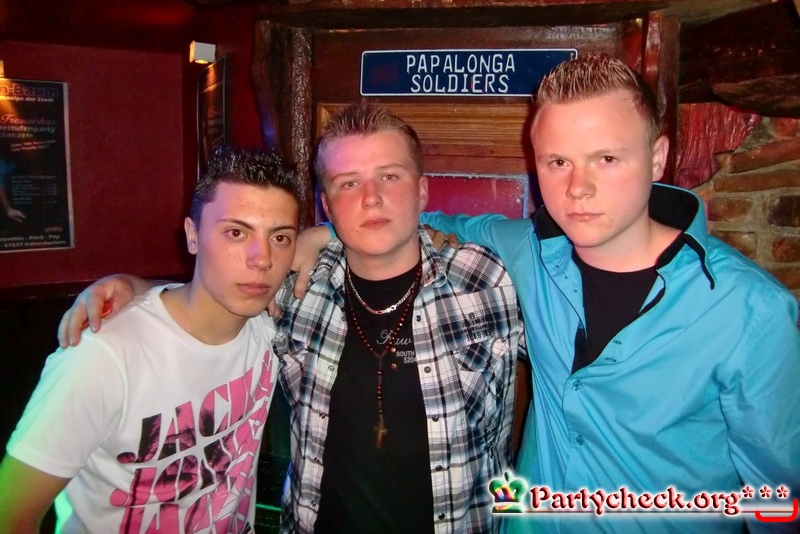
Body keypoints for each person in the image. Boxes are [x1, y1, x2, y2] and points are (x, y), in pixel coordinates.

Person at [55, 102, 525, 534]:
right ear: (327, 205)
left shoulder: (488, 280)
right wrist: (133, 286)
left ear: (422, 191)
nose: (371, 198)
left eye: (390, 176)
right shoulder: (294, 289)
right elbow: (212, 293)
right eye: (348, 183)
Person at [417, 53, 799, 533]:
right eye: (558, 162)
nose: (578, 188)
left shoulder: (750, 310)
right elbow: (424, 219)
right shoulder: (528, 249)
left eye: (607, 159)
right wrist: (331, 233)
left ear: (657, 158)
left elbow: (778, 503)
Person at [0, 145, 300, 533]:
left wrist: (323, 234)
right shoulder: (103, 356)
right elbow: (11, 513)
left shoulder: (268, 327)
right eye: (236, 232)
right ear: (193, 236)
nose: (262, 259)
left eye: (280, 237)